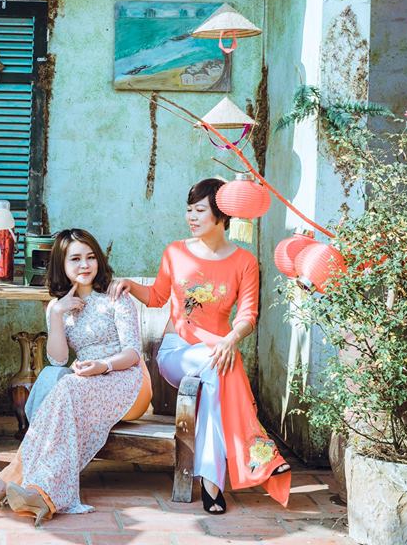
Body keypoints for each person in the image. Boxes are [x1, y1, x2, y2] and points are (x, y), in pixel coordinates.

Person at [109, 177, 291, 513]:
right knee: (224, 363)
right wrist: (130, 284)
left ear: (222, 215)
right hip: (176, 353)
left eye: (199, 210)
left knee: (216, 381)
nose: (191, 217)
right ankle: (260, 453)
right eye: (189, 210)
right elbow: (157, 297)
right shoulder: (175, 252)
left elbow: (248, 315)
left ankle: (211, 483)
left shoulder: (244, 262)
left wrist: (231, 339)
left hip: (216, 355)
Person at [0, 229, 144, 524]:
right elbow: (57, 360)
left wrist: (103, 365)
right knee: (58, 381)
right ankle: (40, 492)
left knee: (66, 386)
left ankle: (12, 477)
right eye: (75, 259)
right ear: (61, 265)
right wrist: (56, 315)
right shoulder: (58, 307)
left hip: (125, 378)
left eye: (90, 257)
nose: (85, 265)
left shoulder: (115, 297)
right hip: (87, 381)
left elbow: (133, 353)